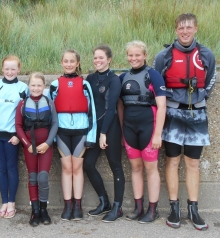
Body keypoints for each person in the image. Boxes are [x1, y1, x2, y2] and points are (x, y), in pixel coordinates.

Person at [153, 13, 216, 230]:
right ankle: (173, 208)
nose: (185, 31)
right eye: (181, 28)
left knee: (193, 163)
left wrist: (199, 98)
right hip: (172, 114)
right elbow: (157, 82)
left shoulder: (207, 54)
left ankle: (194, 209)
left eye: (189, 27)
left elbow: (209, 83)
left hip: (196, 114)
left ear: (196, 29)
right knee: (172, 161)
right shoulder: (164, 55)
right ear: (176, 30)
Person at [118, 40, 166, 224]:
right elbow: (120, 106)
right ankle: (138, 207)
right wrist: (123, 130)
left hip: (149, 126)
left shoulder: (153, 75)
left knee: (150, 168)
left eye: (138, 55)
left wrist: (158, 134)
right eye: (131, 55)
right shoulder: (123, 77)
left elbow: (162, 106)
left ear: (145, 55)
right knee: (136, 168)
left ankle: (153, 209)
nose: (134, 58)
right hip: (129, 128)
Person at [49, 49, 96, 221]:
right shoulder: (54, 85)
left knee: (77, 168)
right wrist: (51, 137)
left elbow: (92, 112)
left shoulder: (85, 84)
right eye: (66, 61)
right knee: (66, 168)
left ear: (77, 63)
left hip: (80, 132)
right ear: (62, 63)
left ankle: (78, 205)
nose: (69, 64)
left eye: (72, 61)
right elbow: (50, 114)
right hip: (61, 132)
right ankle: (67, 204)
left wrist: (91, 136)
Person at [83, 45, 125, 223]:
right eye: (95, 58)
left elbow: (110, 108)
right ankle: (104, 202)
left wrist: (104, 133)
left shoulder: (114, 80)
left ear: (109, 59)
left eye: (101, 58)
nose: (97, 61)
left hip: (110, 128)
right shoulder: (90, 78)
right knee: (88, 164)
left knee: (115, 165)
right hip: (93, 128)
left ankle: (117, 207)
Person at [0, 55, 28, 219]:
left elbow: (26, 115)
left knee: (11, 168)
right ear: (2, 69)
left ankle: (12, 203)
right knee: (1, 169)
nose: (10, 71)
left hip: (13, 137)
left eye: (13, 68)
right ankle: (3, 202)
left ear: (19, 69)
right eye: (7, 68)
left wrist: (19, 135)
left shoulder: (23, 88)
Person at [15, 72, 58, 226]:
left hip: (46, 145)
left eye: (39, 85)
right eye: (33, 85)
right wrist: (27, 144)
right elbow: (18, 126)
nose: (36, 88)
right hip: (30, 146)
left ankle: (43, 209)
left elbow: (55, 123)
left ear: (44, 86)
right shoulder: (23, 103)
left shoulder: (49, 102)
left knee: (43, 178)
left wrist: (48, 143)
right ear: (29, 86)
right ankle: (35, 211)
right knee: (33, 178)